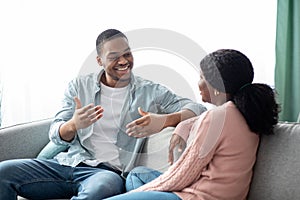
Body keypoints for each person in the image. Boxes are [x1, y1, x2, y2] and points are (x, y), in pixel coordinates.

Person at [0, 29, 206, 200]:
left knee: (98, 191)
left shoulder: (150, 91)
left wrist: (165, 120)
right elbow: (56, 131)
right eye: (114, 57)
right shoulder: (79, 87)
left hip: (107, 174)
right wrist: (73, 125)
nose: (123, 61)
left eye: (127, 54)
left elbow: (199, 109)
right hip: (66, 163)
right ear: (99, 60)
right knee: (3, 172)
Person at [103, 49, 280, 200]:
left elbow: (184, 175)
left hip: (196, 197)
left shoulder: (216, 118)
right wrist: (181, 127)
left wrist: (139, 194)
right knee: (136, 174)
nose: (198, 83)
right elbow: (197, 121)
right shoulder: (244, 112)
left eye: (202, 77)